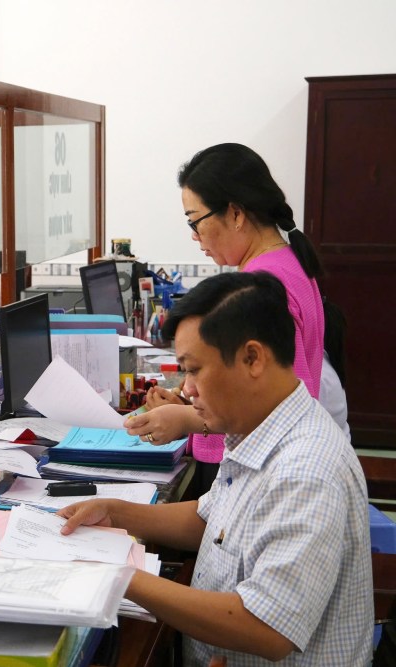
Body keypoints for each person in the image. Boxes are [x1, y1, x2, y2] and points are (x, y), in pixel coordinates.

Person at [61, 271, 372, 666]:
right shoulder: (257, 426)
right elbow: (215, 521)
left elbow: (267, 628)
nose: (187, 390)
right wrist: (117, 512)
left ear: (252, 358)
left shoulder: (307, 471)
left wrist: (119, 577)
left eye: (193, 369)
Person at [124, 143, 348, 494]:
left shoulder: (262, 286)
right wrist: (193, 400)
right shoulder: (285, 262)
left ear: (235, 214)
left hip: (259, 474)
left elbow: (274, 408)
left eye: (195, 222)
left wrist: (186, 420)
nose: (195, 237)